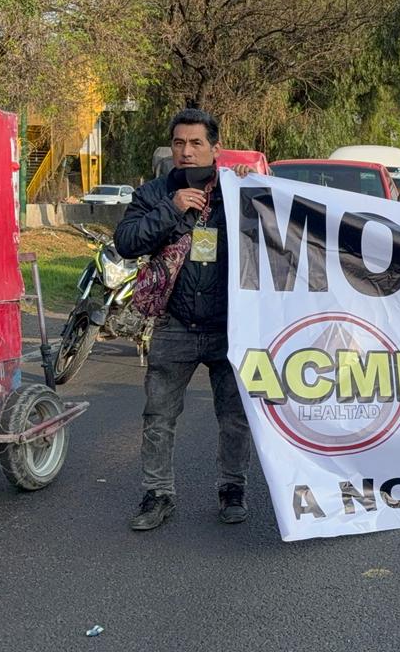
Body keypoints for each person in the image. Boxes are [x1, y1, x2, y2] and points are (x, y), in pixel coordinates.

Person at [115, 108, 254, 531]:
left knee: (234, 417)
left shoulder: (238, 193)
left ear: (215, 148)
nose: (186, 152)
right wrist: (171, 209)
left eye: (196, 143)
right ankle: (157, 495)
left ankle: (233, 488)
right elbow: (126, 242)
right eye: (179, 143)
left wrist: (253, 193)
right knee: (158, 416)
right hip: (174, 324)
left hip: (230, 326)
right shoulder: (155, 193)